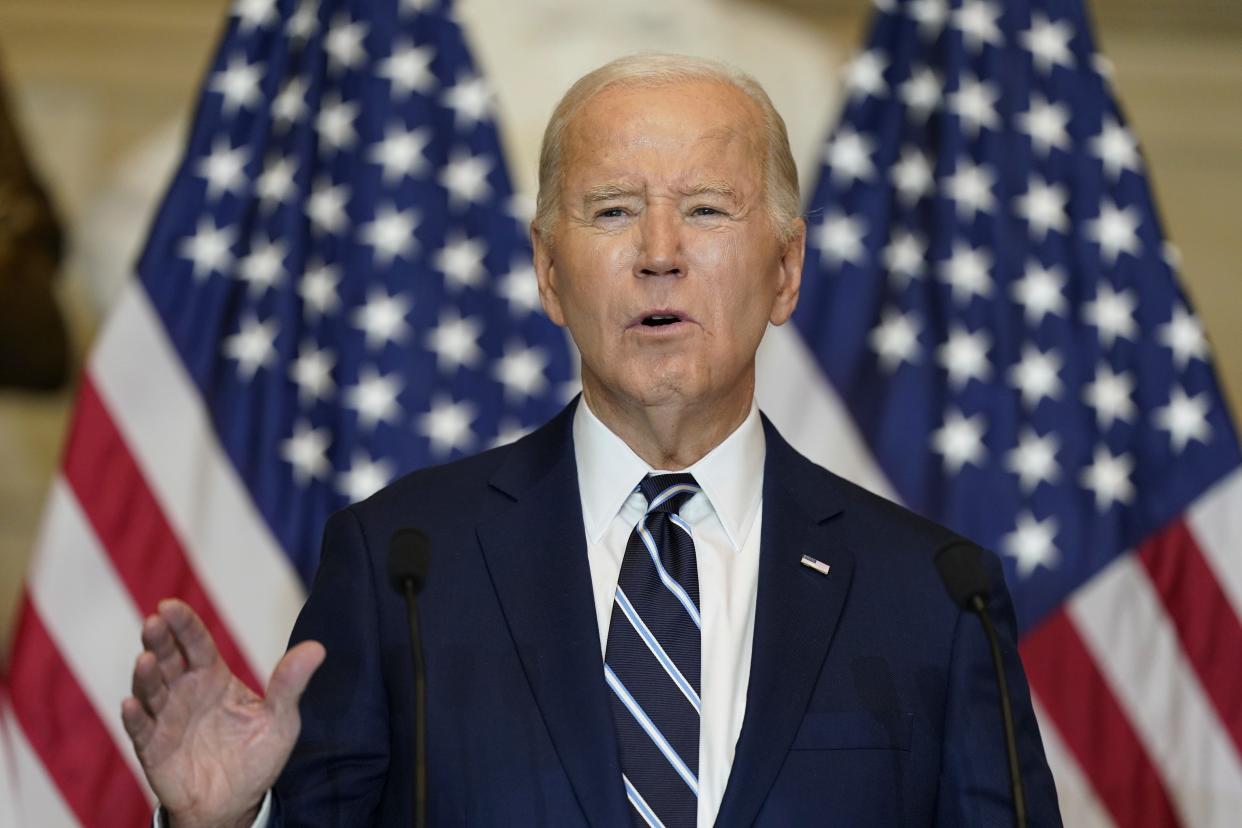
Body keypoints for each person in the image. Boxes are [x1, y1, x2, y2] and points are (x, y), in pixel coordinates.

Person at [123, 54, 1062, 827]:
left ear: (785, 271)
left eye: (706, 209)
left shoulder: (938, 599)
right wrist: (210, 827)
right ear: (547, 271)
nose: (660, 250)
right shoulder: (400, 571)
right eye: (613, 209)